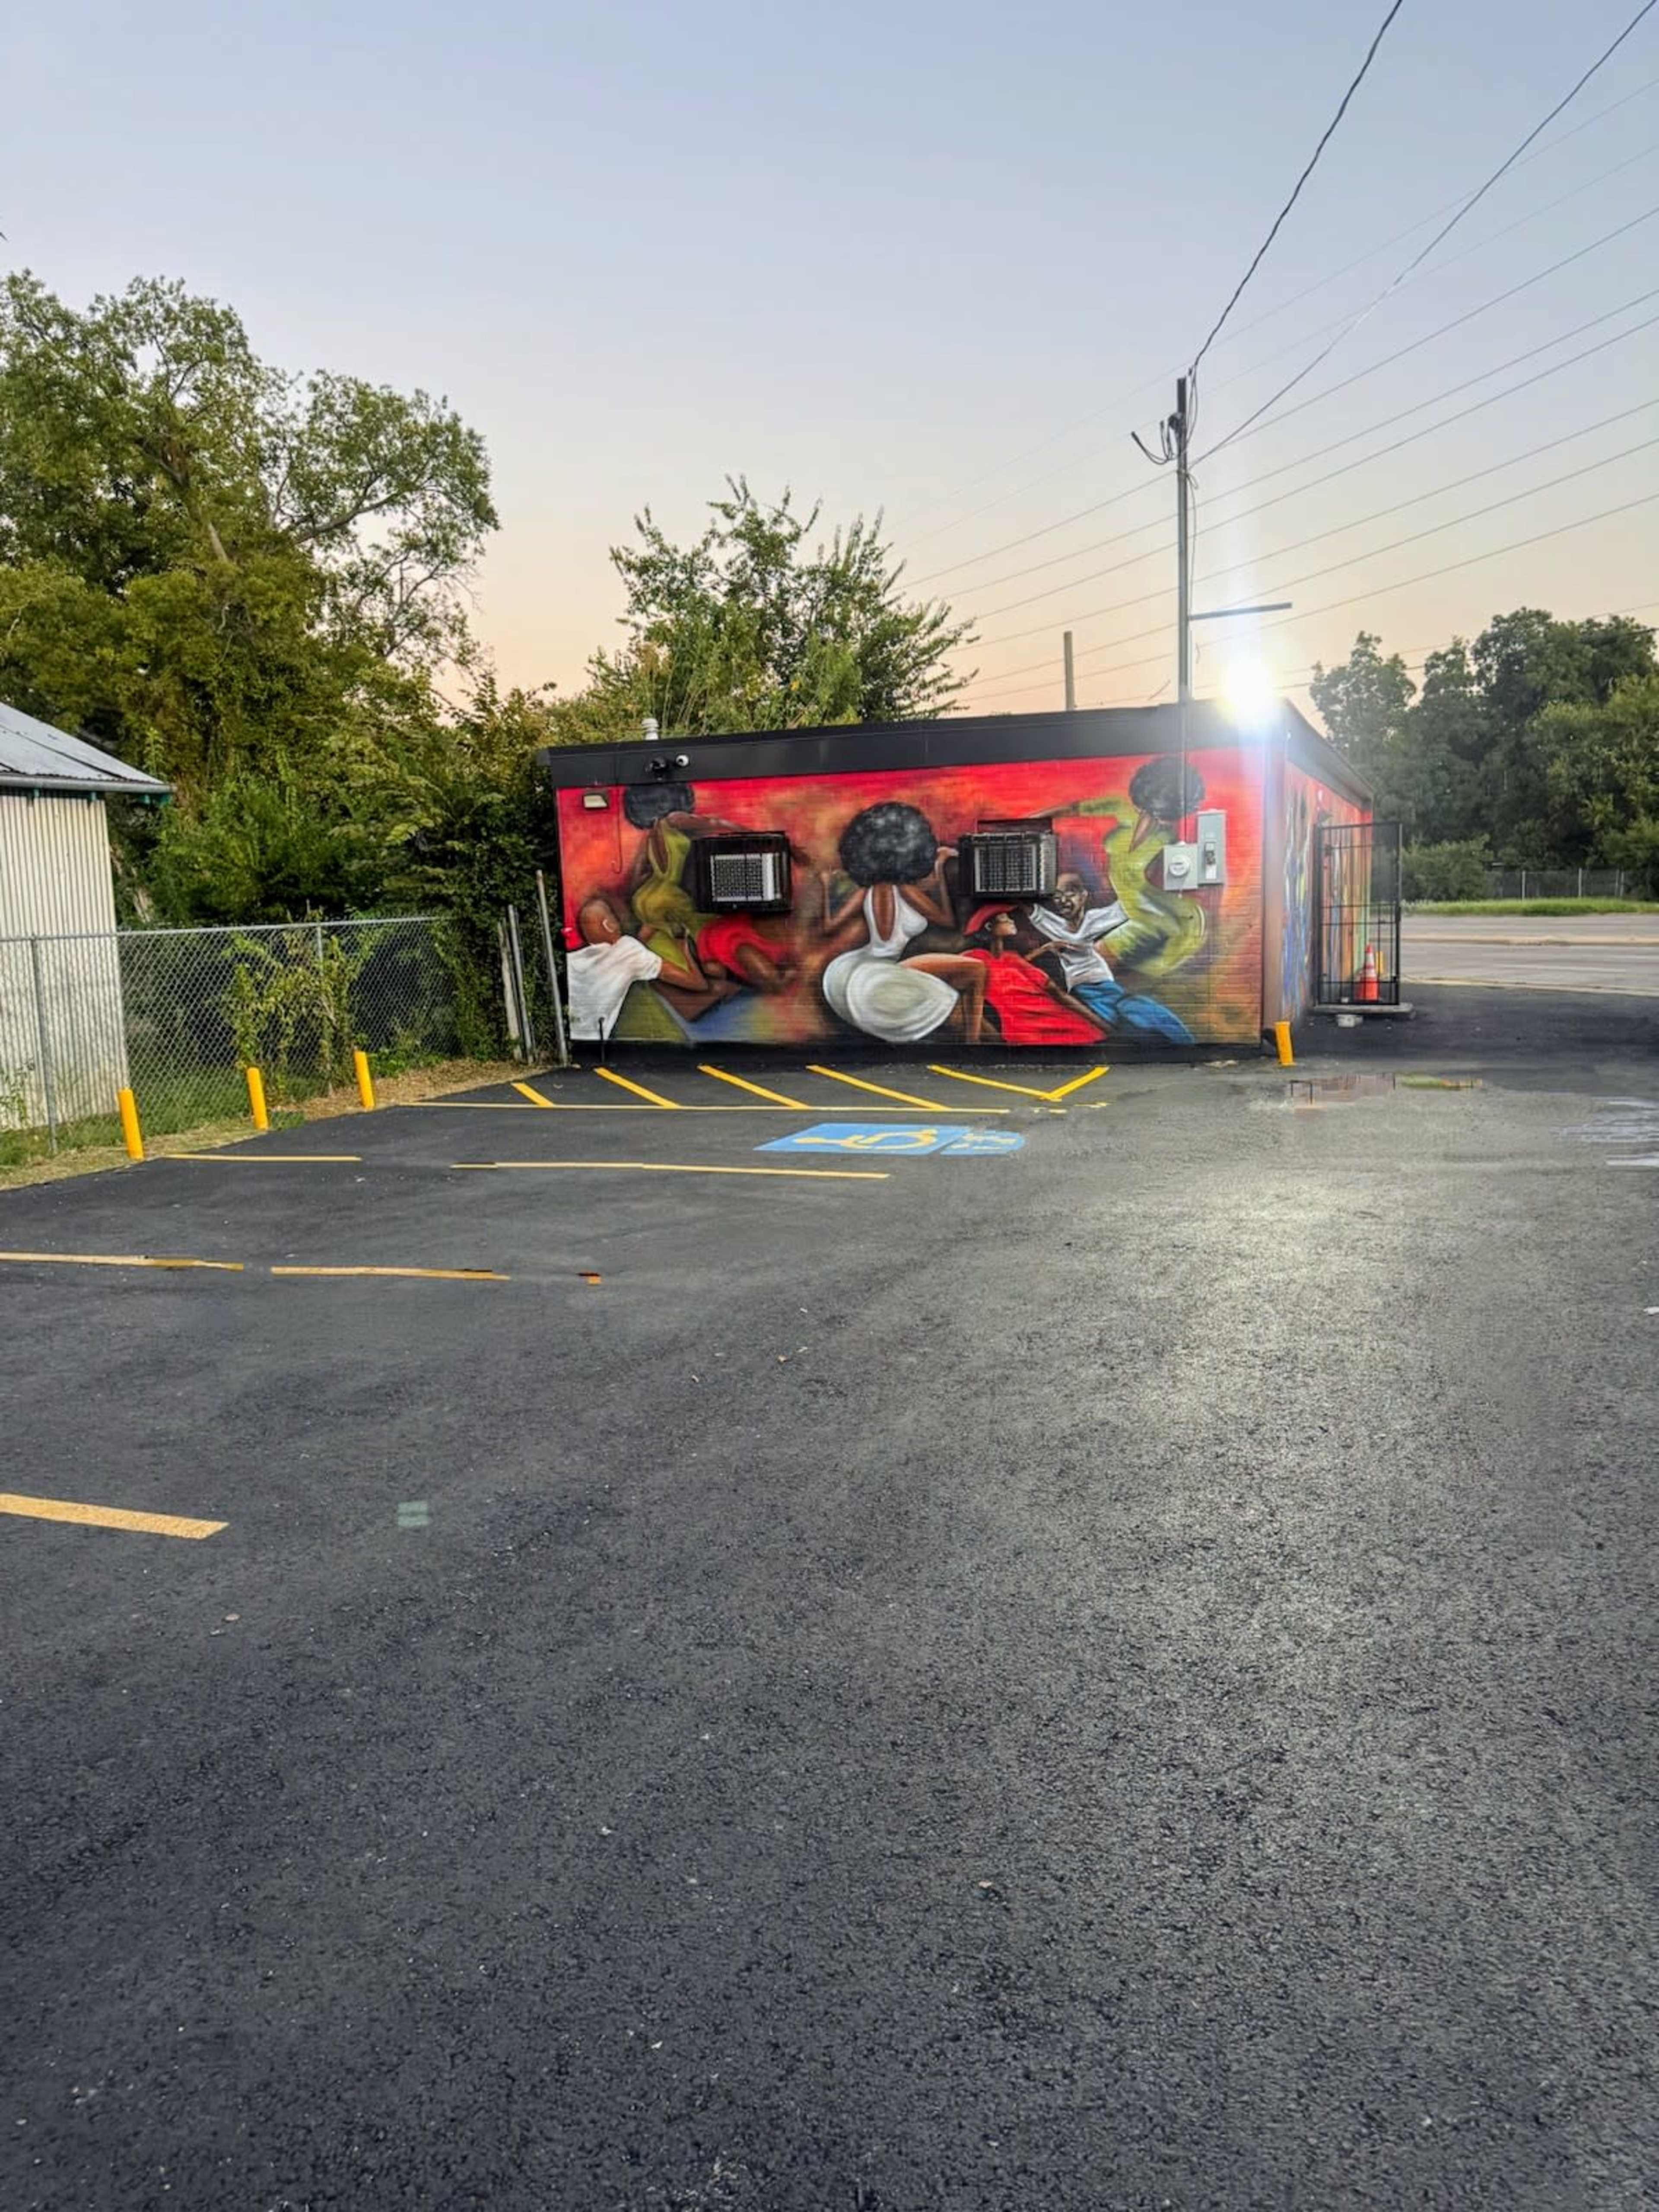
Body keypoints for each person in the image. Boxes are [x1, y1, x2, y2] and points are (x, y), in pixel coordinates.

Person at [818, 802, 986, 1045]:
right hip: (881, 968)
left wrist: (825, 888)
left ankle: (975, 1042)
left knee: (959, 983)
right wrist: (939, 870)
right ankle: (974, 1046)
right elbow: (945, 921)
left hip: (852, 969)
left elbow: (828, 927)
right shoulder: (900, 889)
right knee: (977, 970)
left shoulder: (867, 890)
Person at [624, 783, 795, 993]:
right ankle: (719, 975)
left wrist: (639, 898)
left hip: (650, 896)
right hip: (675, 897)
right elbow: (714, 823)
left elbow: (639, 873)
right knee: (711, 935)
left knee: (674, 940)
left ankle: (631, 966)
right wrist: (755, 835)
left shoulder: (651, 836)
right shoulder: (674, 820)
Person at [1025, 869, 1195, 1043]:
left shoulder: (1095, 920)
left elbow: (1129, 905)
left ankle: (1184, 1043)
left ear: (1084, 896)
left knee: (1140, 1010)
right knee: (1127, 1021)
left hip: (1107, 986)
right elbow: (1026, 908)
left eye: (1070, 892)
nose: (1063, 900)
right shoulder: (1053, 925)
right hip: (1084, 991)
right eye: (1057, 895)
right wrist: (1048, 948)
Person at [565, 894, 731, 1041]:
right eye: (614, 917)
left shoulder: (574, 960)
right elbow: (698, 983)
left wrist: (650, 925)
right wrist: (682, 943)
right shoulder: (629, 951)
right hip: (595, 1042)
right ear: (609, 925)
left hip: (576, 1039)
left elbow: (633, 955)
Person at [959, 906, 1108, 1044]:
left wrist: (1045, 949)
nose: (1012, 921)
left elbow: (1054, 990)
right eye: (1005, 919)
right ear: (990, 927)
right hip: (1024, 1027)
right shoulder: (974, 958)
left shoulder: (1012, 958)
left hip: (1052, 1017)